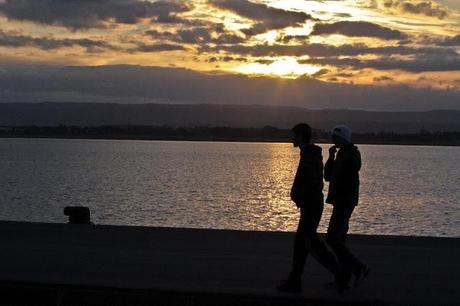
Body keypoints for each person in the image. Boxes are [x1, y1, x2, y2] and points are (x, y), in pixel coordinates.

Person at [277, 123, 349, 294]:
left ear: (301, 136)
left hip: (311, 205)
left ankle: (340, 273)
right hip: (311, 205)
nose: (292, 139)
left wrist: (300, 197)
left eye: (294, 135)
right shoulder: (310, 154)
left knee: (310, 243)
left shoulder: (309, 156)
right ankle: (295, 280)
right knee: (303, 244)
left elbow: (312, 182)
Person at [324, 125, 370, 288]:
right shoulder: (341, 154)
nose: (333, 140)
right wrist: (330, 157)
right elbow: (328, 176)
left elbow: (354, 170)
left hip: (344, 202)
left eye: (335, 137)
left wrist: (344, 194)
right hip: (339, 201)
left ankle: (359, 268)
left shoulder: (351, 155)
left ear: (344, 138)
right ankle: (343, 278)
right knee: (339, 239)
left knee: (332, 238)